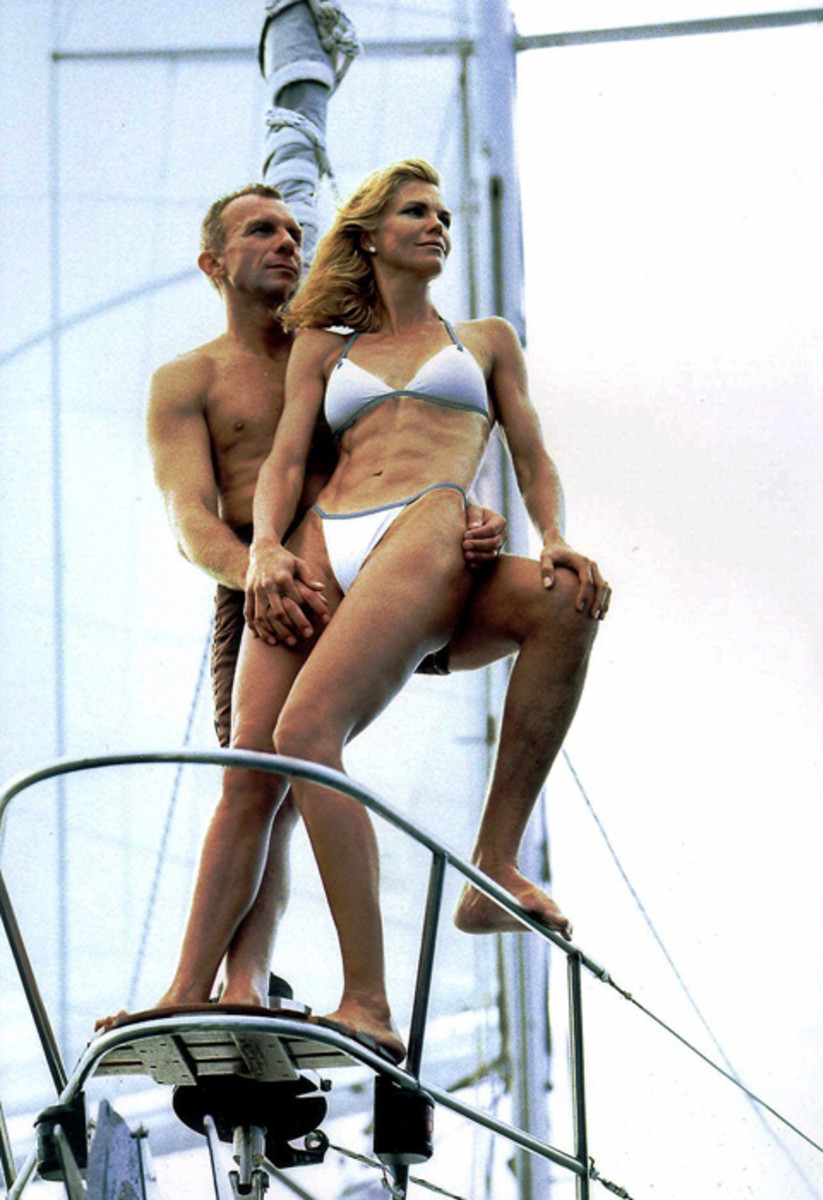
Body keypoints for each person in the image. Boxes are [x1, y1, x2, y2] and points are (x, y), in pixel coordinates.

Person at [142, 158, 609, 1063]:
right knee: (256, 774)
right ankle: (195, 991)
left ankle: (453, 906)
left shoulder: (480, 339)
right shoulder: (306, 352)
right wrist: (264, 555)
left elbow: (527, 452)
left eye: (443, 214)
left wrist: (540, 531)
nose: (436, 225)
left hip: (421, 534)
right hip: (300, 554)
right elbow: (261, 476)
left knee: (564, 601)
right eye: (414, 212)